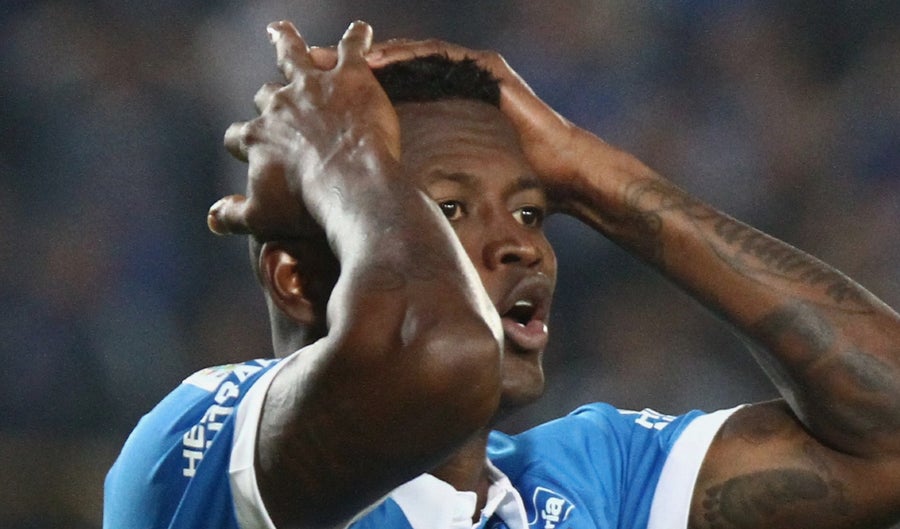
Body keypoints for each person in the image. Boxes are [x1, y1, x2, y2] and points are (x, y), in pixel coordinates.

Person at [103, 20, 900, 529]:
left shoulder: (592, 483)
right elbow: (443, 356)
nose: (522, 246)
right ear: (297, 280)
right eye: (448, 211)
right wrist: (345, 154)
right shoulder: (204, 452)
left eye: (529, 211)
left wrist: (595, 177)